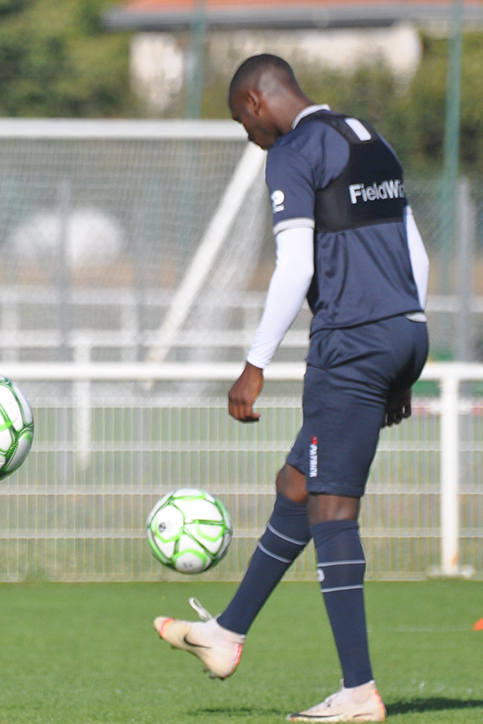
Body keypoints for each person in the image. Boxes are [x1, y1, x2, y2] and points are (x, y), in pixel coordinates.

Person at [153, 54, 429, 724]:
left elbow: (296, 262)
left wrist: (255, 362)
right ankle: (226, 632)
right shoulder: (369, 136)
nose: (251, 140)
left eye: (243, 126)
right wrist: (406, 355)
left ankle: (359, 692)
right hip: (402, 329)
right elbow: (415, 253)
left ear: (255, 101)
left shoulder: (296, 149)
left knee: (332, 510)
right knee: (297, 485)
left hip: (352, 343)